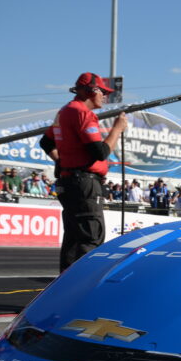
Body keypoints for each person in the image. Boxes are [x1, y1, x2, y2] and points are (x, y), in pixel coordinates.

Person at [39, 72, 128, 272]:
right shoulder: (83, 113)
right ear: (92, 90)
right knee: (90, 237)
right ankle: (81, 289)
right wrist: (117, 129)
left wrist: (63, 162)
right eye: (103, 92)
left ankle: (66, 289)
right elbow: (100, 152)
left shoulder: (65, 111)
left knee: (73, 239)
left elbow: (46, 142)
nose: (105, 96)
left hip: (70, 181)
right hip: (84, 183)